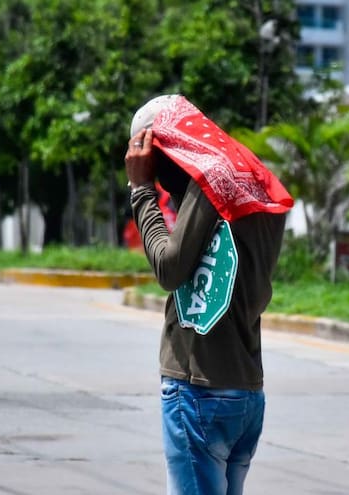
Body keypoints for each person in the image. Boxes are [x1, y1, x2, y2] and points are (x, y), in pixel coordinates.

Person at [124, 94, 293, 495]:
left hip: (198, 390)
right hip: (245, 391)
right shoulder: (247, 177)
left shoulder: (208, 182)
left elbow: (169, 268)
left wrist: (141, 189)